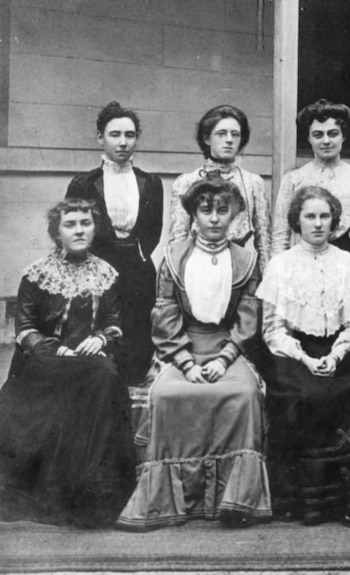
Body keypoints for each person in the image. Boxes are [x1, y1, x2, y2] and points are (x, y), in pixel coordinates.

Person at [117, 177, 270, 531]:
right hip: (182, 346)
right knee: (169, 394)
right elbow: (165, 313)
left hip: (228, 347)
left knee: (243, 394)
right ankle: (168, 502)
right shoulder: (174, 257)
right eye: (206, 210)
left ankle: (234, 501)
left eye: (222, 210)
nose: (214, 218)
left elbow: (249, 317)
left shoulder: (247, 259)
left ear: (233, 215)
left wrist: (224, 358)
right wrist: (185, 362)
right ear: (194, 215)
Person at [0, 199, 136, 528]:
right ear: (56, 232)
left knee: (105, 375)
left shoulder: (106, 273)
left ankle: (94, 492)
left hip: (89, 362)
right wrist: (54, 349)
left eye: (85, 223)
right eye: (70, 224)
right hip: (45, 363)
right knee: (92, 378)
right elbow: (26, 329)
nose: (79, 230)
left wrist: (101, 339)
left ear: (95, 228)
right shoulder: (36, 274)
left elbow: (114, 322)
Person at [258, 185, 350, 528]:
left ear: (334, 221)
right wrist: (306, 360)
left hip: (341, 350)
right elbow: (272, 330)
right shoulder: (281, 265)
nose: (318, 223)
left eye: (325, 216)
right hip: (293, 352)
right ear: (297, 220)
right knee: (302, 395)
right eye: (309, 216)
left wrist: (337, 355)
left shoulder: (349, 264)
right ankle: (306, 501)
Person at [66, 101, 164, 385]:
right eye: (115, 134)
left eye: (130, 135)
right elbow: (73, 227)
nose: (123, 142)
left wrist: (137, 255)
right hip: (96, 268)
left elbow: (152, 231)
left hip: (137, 269)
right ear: (100, 138)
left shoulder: (150, 183)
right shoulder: (84, 183)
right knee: (100, 336)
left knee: (136, 333)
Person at [271, 99, 350, 268]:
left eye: (333, 134)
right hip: (304, 259)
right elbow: (281, 234)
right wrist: (276, 271)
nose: (326, 141)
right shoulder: (294, 179)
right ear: (309, 138)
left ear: (343, 136)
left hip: (347, 260)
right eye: (318, 135)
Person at [169, 104, 271, 270]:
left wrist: (265, 281)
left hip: (240, 268)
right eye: (221, 134)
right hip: (199, 266)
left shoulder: (253, 183)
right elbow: (177, 241)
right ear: (207, 138)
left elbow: (264, 241)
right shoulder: (187, 182)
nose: (229, 140)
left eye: (235, 134)